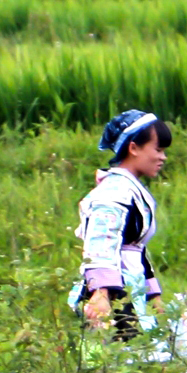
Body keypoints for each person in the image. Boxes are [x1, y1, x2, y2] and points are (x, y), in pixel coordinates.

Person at [71, 109, 172, 339]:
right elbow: (101, 243)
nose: (162, 158)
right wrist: (100, 293)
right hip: (115, 294)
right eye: (158, 149)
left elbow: (136, 249)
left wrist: (153, 296)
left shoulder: (128, 189)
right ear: (134, 147)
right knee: (118, 361)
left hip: (130, 289)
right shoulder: (112, 193)